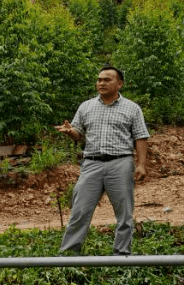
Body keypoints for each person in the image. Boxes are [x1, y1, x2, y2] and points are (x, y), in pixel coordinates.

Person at [56, 65, 149, 255]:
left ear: (120, 83)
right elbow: (78, 134)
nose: (101, 83)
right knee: (80, 210)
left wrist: (141, 164)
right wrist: (70, 131)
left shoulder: (132, 108)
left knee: (124, 213)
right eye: (99, 80)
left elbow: (141, 137)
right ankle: (68, 255)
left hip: (121, 162)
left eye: (107, 80)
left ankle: (122, 255)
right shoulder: (86, 106)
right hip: (91, 163)